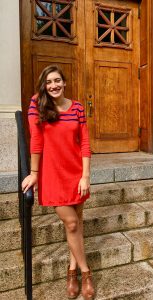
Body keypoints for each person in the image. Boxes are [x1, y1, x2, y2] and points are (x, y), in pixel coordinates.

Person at [22, 64, 95, 300]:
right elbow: (36, 141)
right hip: (52, 175)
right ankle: (86, 273)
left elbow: (84, 143)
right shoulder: (38, 105)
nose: (53, 85)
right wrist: (34, 173)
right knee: (72, 223)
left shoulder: (78, 108)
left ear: (64, 83)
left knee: (77, 221)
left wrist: (85, 176)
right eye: (48, 82)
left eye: (57, 81)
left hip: (76, 173)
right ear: (44, 85)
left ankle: (71, 271)